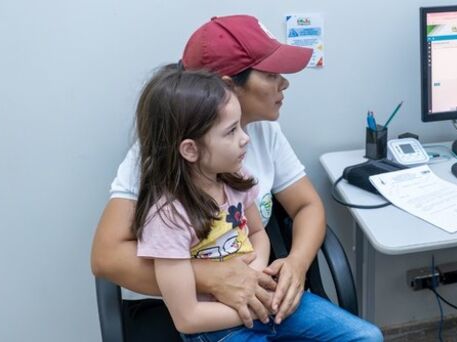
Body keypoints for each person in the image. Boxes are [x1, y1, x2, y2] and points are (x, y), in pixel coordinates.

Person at [91, 15, 382, 341]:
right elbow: (106, 258)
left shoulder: (260, 135)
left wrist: (296, 264)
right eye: (271, 75)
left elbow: (306, 206)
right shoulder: (161, 157)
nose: (284, 84)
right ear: (227, 86)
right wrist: (211, 277)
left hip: (260, 290)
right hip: (205, 311)